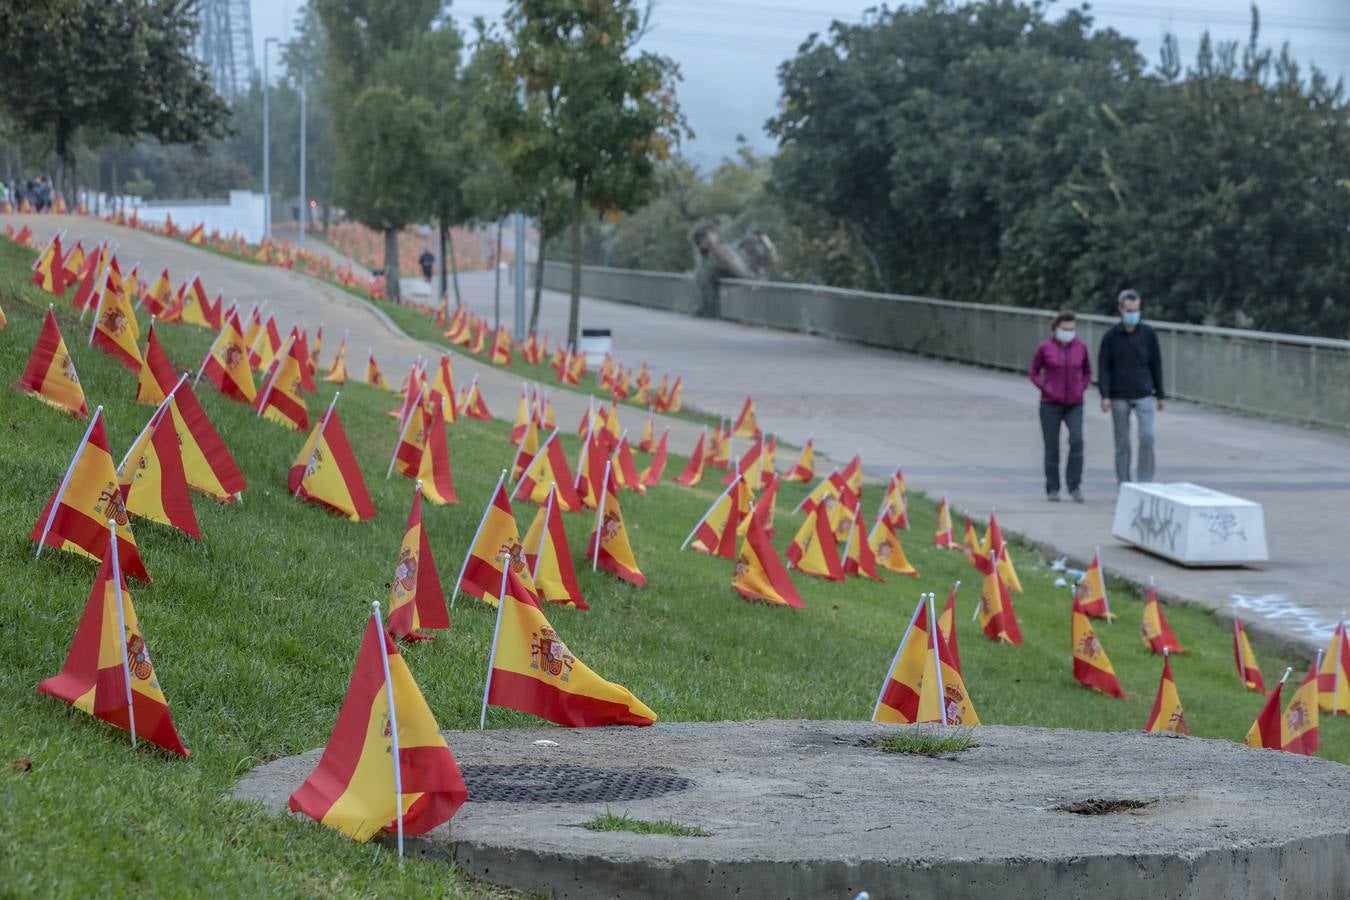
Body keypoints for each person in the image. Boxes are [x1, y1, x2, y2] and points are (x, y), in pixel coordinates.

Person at [1098, 288, 1165, 483]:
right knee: (1123, 442)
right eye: (1129, 310)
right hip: (1119, 395)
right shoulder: (1111, 337)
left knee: (1147, 436)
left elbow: (1156, 363)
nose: (1133, 314)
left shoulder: (1148, 334)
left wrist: (1160, 394)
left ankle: (1145, 481)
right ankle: (1124, 482)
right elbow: (1104, 367)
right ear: (1120, 309)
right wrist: (1105, 395)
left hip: (1144, 392)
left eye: (1136, 309)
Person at [1029, 310, 1092, 502]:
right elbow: (1033, 372)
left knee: (1076, 440)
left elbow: (1088, 371)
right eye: (1065, 329)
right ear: (1056, 328)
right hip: (1050, 403)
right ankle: (1052, 487)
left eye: (1072, 329)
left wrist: (1081, 388)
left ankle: (1074, 485)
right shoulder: (1045, 347)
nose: (1068, 332)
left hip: (1074, 403)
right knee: (1052, 446)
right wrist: (1045, 388)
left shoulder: (1080, 347)